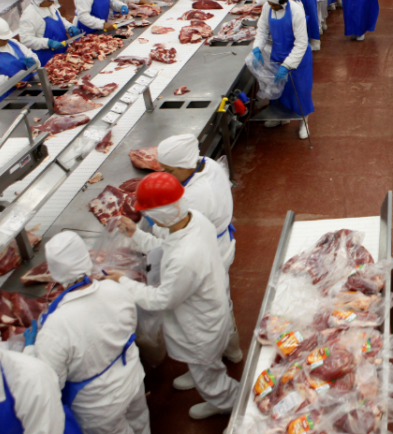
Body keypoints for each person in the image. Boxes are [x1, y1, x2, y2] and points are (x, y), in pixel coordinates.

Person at [109, 172, 239, 420]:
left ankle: (227, 400)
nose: (145, 215)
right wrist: (135, 234)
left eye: (148, 211)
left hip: (200, 326)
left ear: (160, 214)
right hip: (210, 309)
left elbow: (162, 299)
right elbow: (165, 247)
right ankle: (204, 374)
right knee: (205, 364)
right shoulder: (193, 220)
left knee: (208, 373)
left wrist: (123, 282)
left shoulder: (185, 258)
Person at [24, 232, 149, 434]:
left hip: (99, 406)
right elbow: (130, 326)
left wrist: (30, 351)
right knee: (141, 424)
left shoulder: (55, 328)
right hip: (133, 379)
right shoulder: (116, 289)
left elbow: (49, 383)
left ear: (54, 274)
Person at [156, 134, 242, 361]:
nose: (165, 176)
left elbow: (173, 231)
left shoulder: (197, 194)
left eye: (170, 171)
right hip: (219, 245)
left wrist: (151, 222)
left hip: (207, 254)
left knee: (203, 312)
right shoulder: (207, 164)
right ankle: (232, 351)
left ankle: (210, 363)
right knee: (220, 300)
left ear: (186, 164)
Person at [249, 0, 314, 134]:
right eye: (270, 4)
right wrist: (257, 47)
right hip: (278, 53)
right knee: (278, 90)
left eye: (274, 5)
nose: (271, 7)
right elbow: (262, 29)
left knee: (300, 90)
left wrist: (287, 65)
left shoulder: (296, 11)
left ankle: (304, 123)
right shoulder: (268, 6)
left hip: (299, 57)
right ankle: (280, 118)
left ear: (283, 2)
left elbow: (301, 43)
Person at [18, 0, 80, 66]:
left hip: (64, 52)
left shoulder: (50, 6)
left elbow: (60, 20)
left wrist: (69, 27)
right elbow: (26, 39)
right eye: (49, 0)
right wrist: (48, 43)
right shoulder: (29, 15)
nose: (53, 3)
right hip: (47, 59)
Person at [0, 17, 40, 97]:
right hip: (9, 95)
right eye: (2, 38)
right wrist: (8, 81)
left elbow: (30, 55)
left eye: (6, 37)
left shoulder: (14, 44)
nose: (6, 40)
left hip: (31, 86)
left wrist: (34, 62)